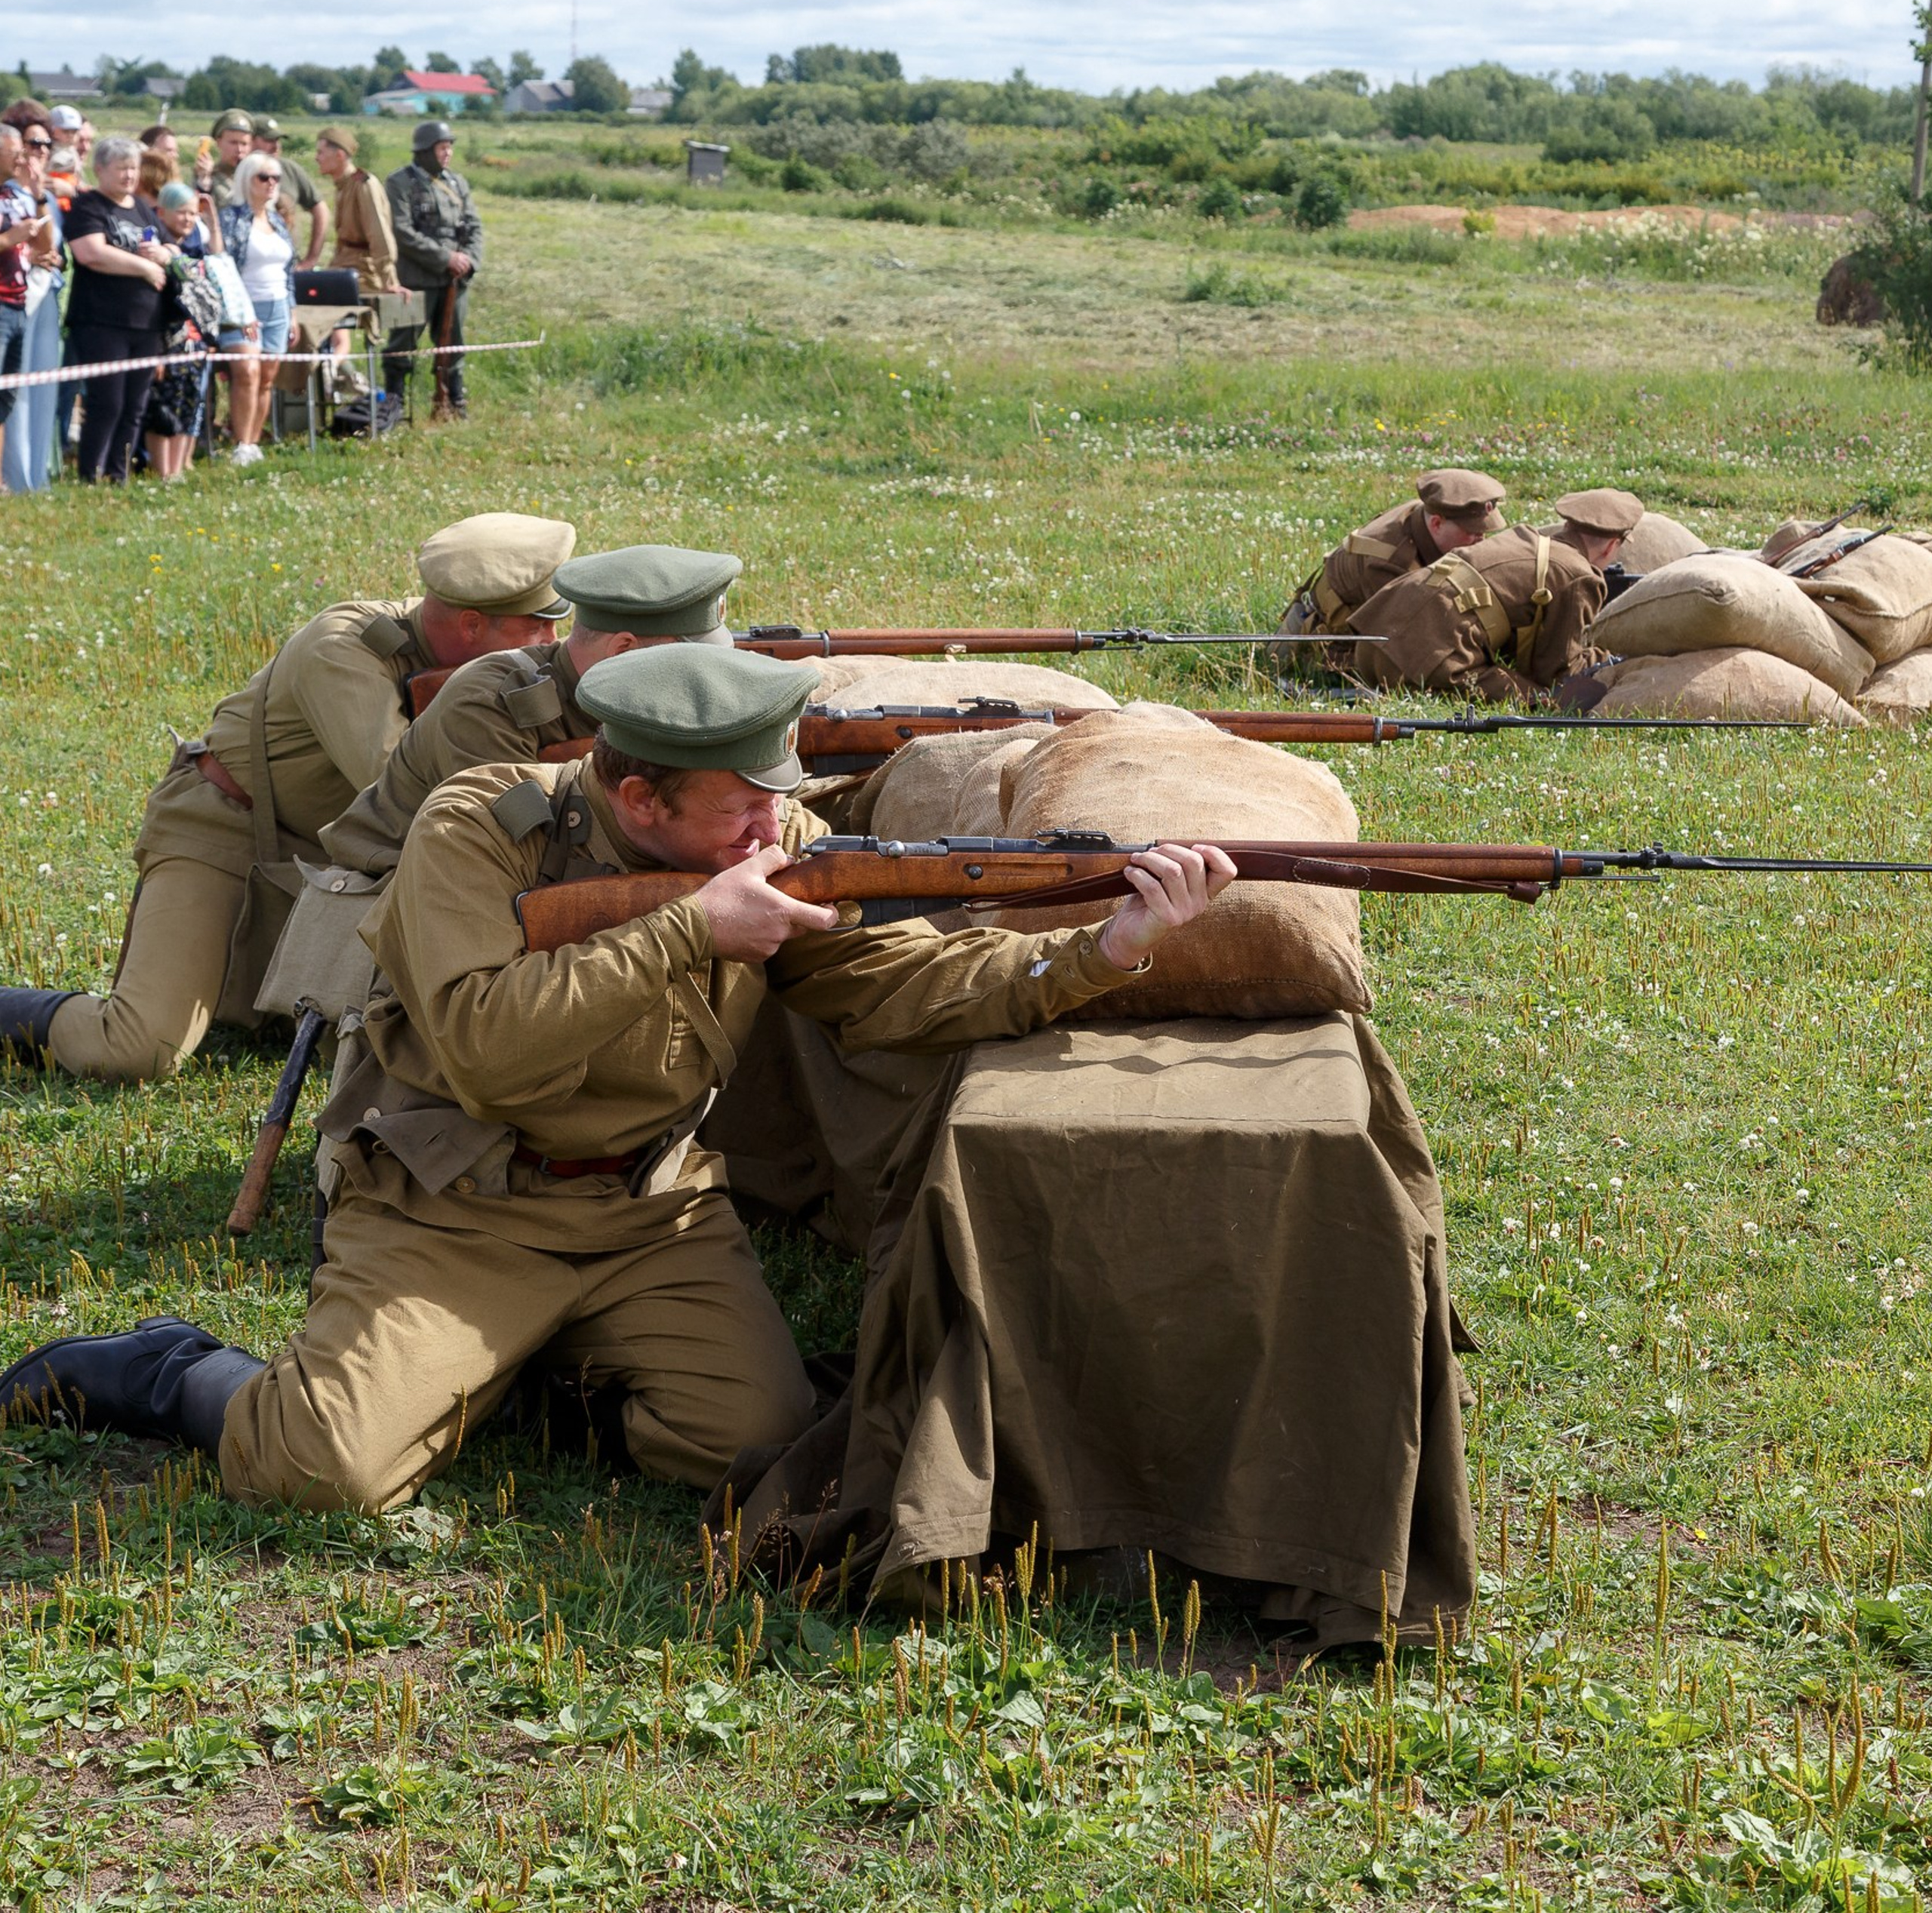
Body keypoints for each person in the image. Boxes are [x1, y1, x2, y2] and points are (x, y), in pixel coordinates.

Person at [0, 642, 1235, 1512]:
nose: (776, 834)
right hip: (455, 1203)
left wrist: (1096, 953)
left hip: (649, 1212)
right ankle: (166, 1367)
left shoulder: (773, 841)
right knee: (319, 1469)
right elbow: (486, 1046)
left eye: (780, 805)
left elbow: (889, 986)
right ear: (638, 794)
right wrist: (694, 931)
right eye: (746, 812)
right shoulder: (479, 831)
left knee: (756, 1447)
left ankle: (501, 1376)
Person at [0, 513, 575, 1081]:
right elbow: (405, 790)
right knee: (139, 1046)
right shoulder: (343, 649)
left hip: (340, 863)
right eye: (538, 626)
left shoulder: (488, 666)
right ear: (473, 625)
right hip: (224, 833)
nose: (552, 643)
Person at [325, 544, 737, 874]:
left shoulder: (639, 705)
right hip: (390, 894)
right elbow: (519, 855)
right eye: (685, 664)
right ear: (624, 651)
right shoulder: (487, 704)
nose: (695, 680)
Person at [1341, 489, 1644, 703]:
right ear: (1611, 546)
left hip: (1374, 643)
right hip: (1425, 661)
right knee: (1543, 701)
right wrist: (1612, 656)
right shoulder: (1578, 576)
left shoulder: (1528, 539)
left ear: (1568, 524)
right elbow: (1558, 671)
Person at [1283, 470, 1509, 643]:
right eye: (1472, 532)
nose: (1481, 540)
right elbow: (1401, 641)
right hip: (1332, 639)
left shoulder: (1428, 514)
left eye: (1484, 533)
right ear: (1437, 523)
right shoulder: (1390, 561)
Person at [63, 135, 173, 484]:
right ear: (100, 170)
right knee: (106, 402)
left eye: (133, 168)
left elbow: (165, 242)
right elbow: (91, 253)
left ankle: (118, 473)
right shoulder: (89, 206)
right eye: (121, 168)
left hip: (146, 323)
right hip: (101, 321)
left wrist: (166, 256)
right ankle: (91, 475)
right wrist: (143, 268)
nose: (129, 176)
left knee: (134, 406)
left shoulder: (140, 207)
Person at [384, 120, 481, 416]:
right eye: (442, 147)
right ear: (425, 151)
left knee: (453, 343)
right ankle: (394, 402)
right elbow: (401, 231)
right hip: (412, 280)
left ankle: (454, 399)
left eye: (450, 147)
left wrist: (468, 261)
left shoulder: (457, 183)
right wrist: (446, 258)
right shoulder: (399, 183)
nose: (448, 153)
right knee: (401, 343)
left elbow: (474, 227)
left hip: (454, 282)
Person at [1, 103, 64, 492]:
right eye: (17, 150)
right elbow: (18, 239)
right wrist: (12, 239)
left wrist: (40, 195)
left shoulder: (17, 196)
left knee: (5, 397)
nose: (25, 157)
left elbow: (47, 242)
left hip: (18, 303)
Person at [218, 149, 297, 466]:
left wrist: (293, 313)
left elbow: (289, 273)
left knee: (266, 377)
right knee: (246, 374)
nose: (271, 184)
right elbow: (223, 268)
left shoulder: (278, 221)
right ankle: (239, 443)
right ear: (246, 180)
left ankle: (253, 441)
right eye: (263, 177)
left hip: (278, 306)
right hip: (241, 309)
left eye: (276, 178)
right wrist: (239, 310)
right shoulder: (230, 219)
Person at [143, 183, 222, 481]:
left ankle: (177, 471)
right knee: (163, 406)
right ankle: (162, 471)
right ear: (162, 212)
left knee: (189, 402)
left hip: (194, 341)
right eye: (181, 213)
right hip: (165, 340)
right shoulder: (154, 251)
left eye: (192, 214)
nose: (188, 219)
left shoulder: (193, 248)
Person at [315, 125, 398, 297]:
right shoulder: (343, 185)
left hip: (363, 274)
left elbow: (379, 233)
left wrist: (388, 280)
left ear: (339, 155)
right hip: (343, 267)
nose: (317, 158)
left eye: (321, 153)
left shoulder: (363, 185)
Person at [253, 116, 328, 268]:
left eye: (278, 141)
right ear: (252, 140)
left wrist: (310, 260)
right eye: (269, 141)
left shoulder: (289, 170)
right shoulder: (240, 173)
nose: (276, 146)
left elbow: (321, 210)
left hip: (288, 263)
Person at [203, 109, 254, 209]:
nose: (239, 150)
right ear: (219, 142)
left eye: (244, 144)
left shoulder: (259, 178)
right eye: (233, 143)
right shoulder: (208, 177)